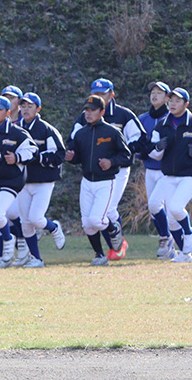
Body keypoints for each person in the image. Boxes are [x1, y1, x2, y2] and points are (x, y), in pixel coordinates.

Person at [68, 78, 145, 260]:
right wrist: (73, 155)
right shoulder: (85, 117)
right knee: (93, 217)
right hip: (92, 173)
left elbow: (140, 139)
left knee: (107, 210)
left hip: (117, 169)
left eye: (102, 93)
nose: (99, 96)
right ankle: (111, 248)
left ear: (111, 95)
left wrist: (113, 157)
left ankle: (116, 246)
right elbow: (74, 140)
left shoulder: (123, 115)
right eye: (95, 93)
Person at [146, 88, 192, 263]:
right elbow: (152, 152)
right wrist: (158, 148)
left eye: (177, 101)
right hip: (169, 175)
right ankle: (185, 254)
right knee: (169, 218)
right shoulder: (162, 125)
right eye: (171, 100)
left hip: (191, 175)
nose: (172, 104)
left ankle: (189, 233)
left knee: (175, 207)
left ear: (186, 104)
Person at [65, 96, 131, 266]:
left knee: (96, 220)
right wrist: (71, 157)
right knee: (87, 224)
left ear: (102, 112)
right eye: (86, 110)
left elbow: (127, 156)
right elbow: (78, 158)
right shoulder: (81, 134)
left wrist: (111, 162)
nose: (88, 113)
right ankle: (100, 255)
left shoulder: (112, 132)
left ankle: (113, 229)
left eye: (92, 110)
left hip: (106, 182)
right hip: (87, 182)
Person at [0, 96, 39, 268]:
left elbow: (33, 150)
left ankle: (9, 240)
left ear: (7, 113)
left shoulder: (17, 132)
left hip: (10, 181)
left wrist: (17, 157)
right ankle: (4, 258)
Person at [16, 92, 67, 267]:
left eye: (30, 106)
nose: (25, 109)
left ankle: (53, 227)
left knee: (36, 218)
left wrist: (38, 157)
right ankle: (36, 259)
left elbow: (59, 155)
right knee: (25, 223)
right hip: (23, 182)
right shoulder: (16, 128)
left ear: (38, 109)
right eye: (23, 106)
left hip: (43, 181)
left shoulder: (47, 130)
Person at [137, 81, 175, 259]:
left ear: (167, 98)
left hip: (167, 171)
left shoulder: (171, 118)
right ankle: (172, 237)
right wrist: (148, 150)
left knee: (160, 206)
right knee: (154, 209)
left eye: (159, 92)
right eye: (153, 92)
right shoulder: (143, 119)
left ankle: (169, 239)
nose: (154, 95)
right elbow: (137, 144)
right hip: (150, 169)